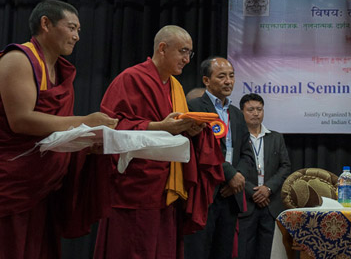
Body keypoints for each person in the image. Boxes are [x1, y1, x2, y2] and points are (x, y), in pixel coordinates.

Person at [93, 25, 224, 259]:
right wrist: (161, 126)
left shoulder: (175, 87)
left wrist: (191, 131)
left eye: (190, 53)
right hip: (134, 187)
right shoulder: (131, 78)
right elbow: (111, 127)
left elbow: (174, 133)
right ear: (162, 48)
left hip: (168, 187)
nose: (187, 59)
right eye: (183, 51)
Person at [0, 0, 118, 259]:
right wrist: (85, 122)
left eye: (79, 31)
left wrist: (85, 142)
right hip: (13, 183)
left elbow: (53, 132)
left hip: (44, 186)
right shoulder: (19, 58)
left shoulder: (59, 71)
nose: (76, 36)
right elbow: (20, 121)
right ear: (46, 24)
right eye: (72, 27)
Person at [184, 57, 253, 259]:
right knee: (197, 251)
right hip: (204, 193)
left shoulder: (237, 114)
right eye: (221, 76)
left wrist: (238, 177)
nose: (228, 81)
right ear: (206, 80)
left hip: (231, 194)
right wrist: (230, 174)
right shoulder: (194, 106)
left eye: (231, 76)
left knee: (223, 252)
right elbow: (201, 150)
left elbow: (247, 152)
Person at [238, 93, 291, 259]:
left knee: (267, 252)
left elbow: (285, 166)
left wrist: (267, 188)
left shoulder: (275, 137)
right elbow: (232, 169)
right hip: (246, 202)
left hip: (270, 204)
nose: (256, 113)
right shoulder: (237, 138)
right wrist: (253, 192)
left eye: (259, 109)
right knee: (244, 251)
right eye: (251, 109)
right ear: (242, 112)